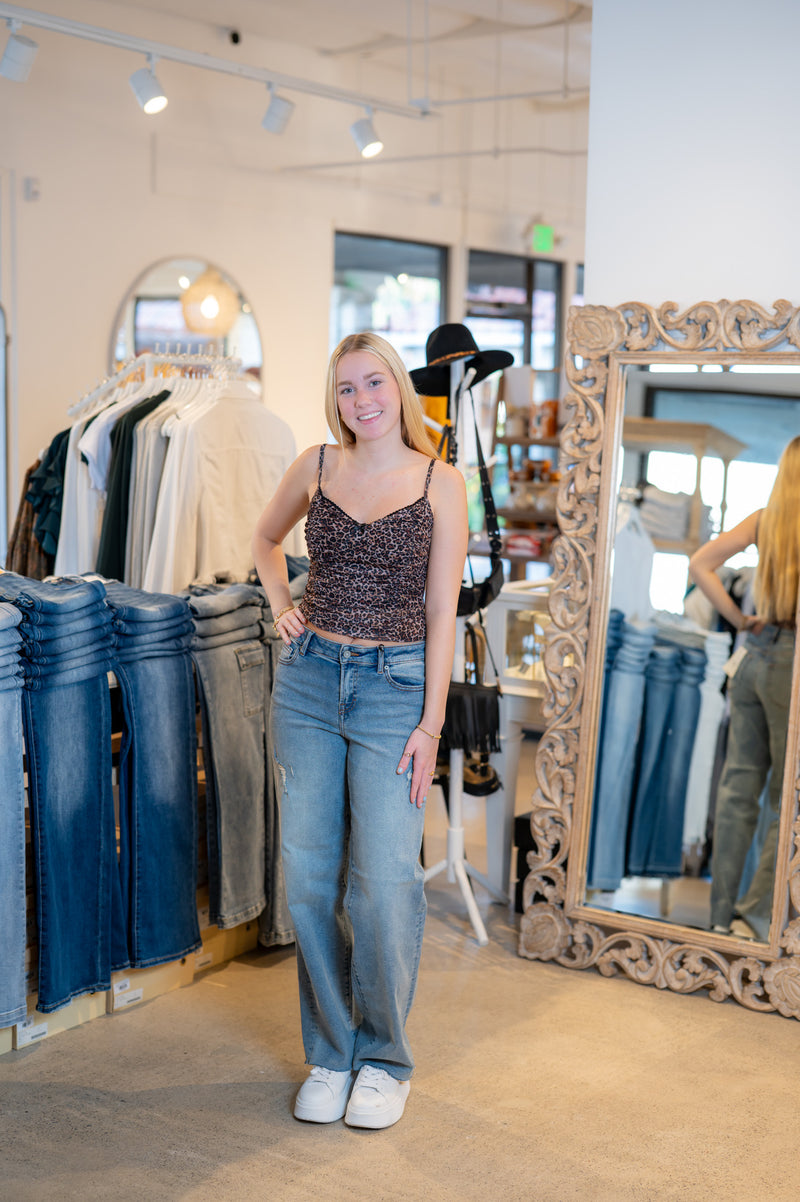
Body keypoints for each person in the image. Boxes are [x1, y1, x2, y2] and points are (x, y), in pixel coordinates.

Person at [252, 332, 468, 1129]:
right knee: (308, 876)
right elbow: (264, 540)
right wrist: (281, 604)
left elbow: (442, 609)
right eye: (346, 389)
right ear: (334, 399)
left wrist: (432, 724)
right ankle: (332, 1052)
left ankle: (384, 1060)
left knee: (382, 883)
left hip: (394, 693)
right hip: (309, 680)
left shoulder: (442, 482)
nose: (361, 400)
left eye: (373, 382)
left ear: (398, 388)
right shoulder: (315, 466)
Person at [688, 435, 800, 939]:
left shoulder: (764, 518)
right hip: (790, 667)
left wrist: (738, 619)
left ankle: (719, 915)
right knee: (785, 799)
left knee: (737, 791)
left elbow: (699, 565)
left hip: (752, 658)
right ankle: (755, 914)